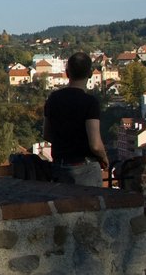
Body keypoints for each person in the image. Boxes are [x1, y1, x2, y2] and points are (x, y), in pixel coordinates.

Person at [42, 52, 110, 186]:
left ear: (67, 73)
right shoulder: (90, 103)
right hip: (85, 169)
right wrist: (104, 158)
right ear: (90, 74)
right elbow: (95, 144)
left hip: (59, 168)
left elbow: (47, 134)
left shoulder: (53, 99)